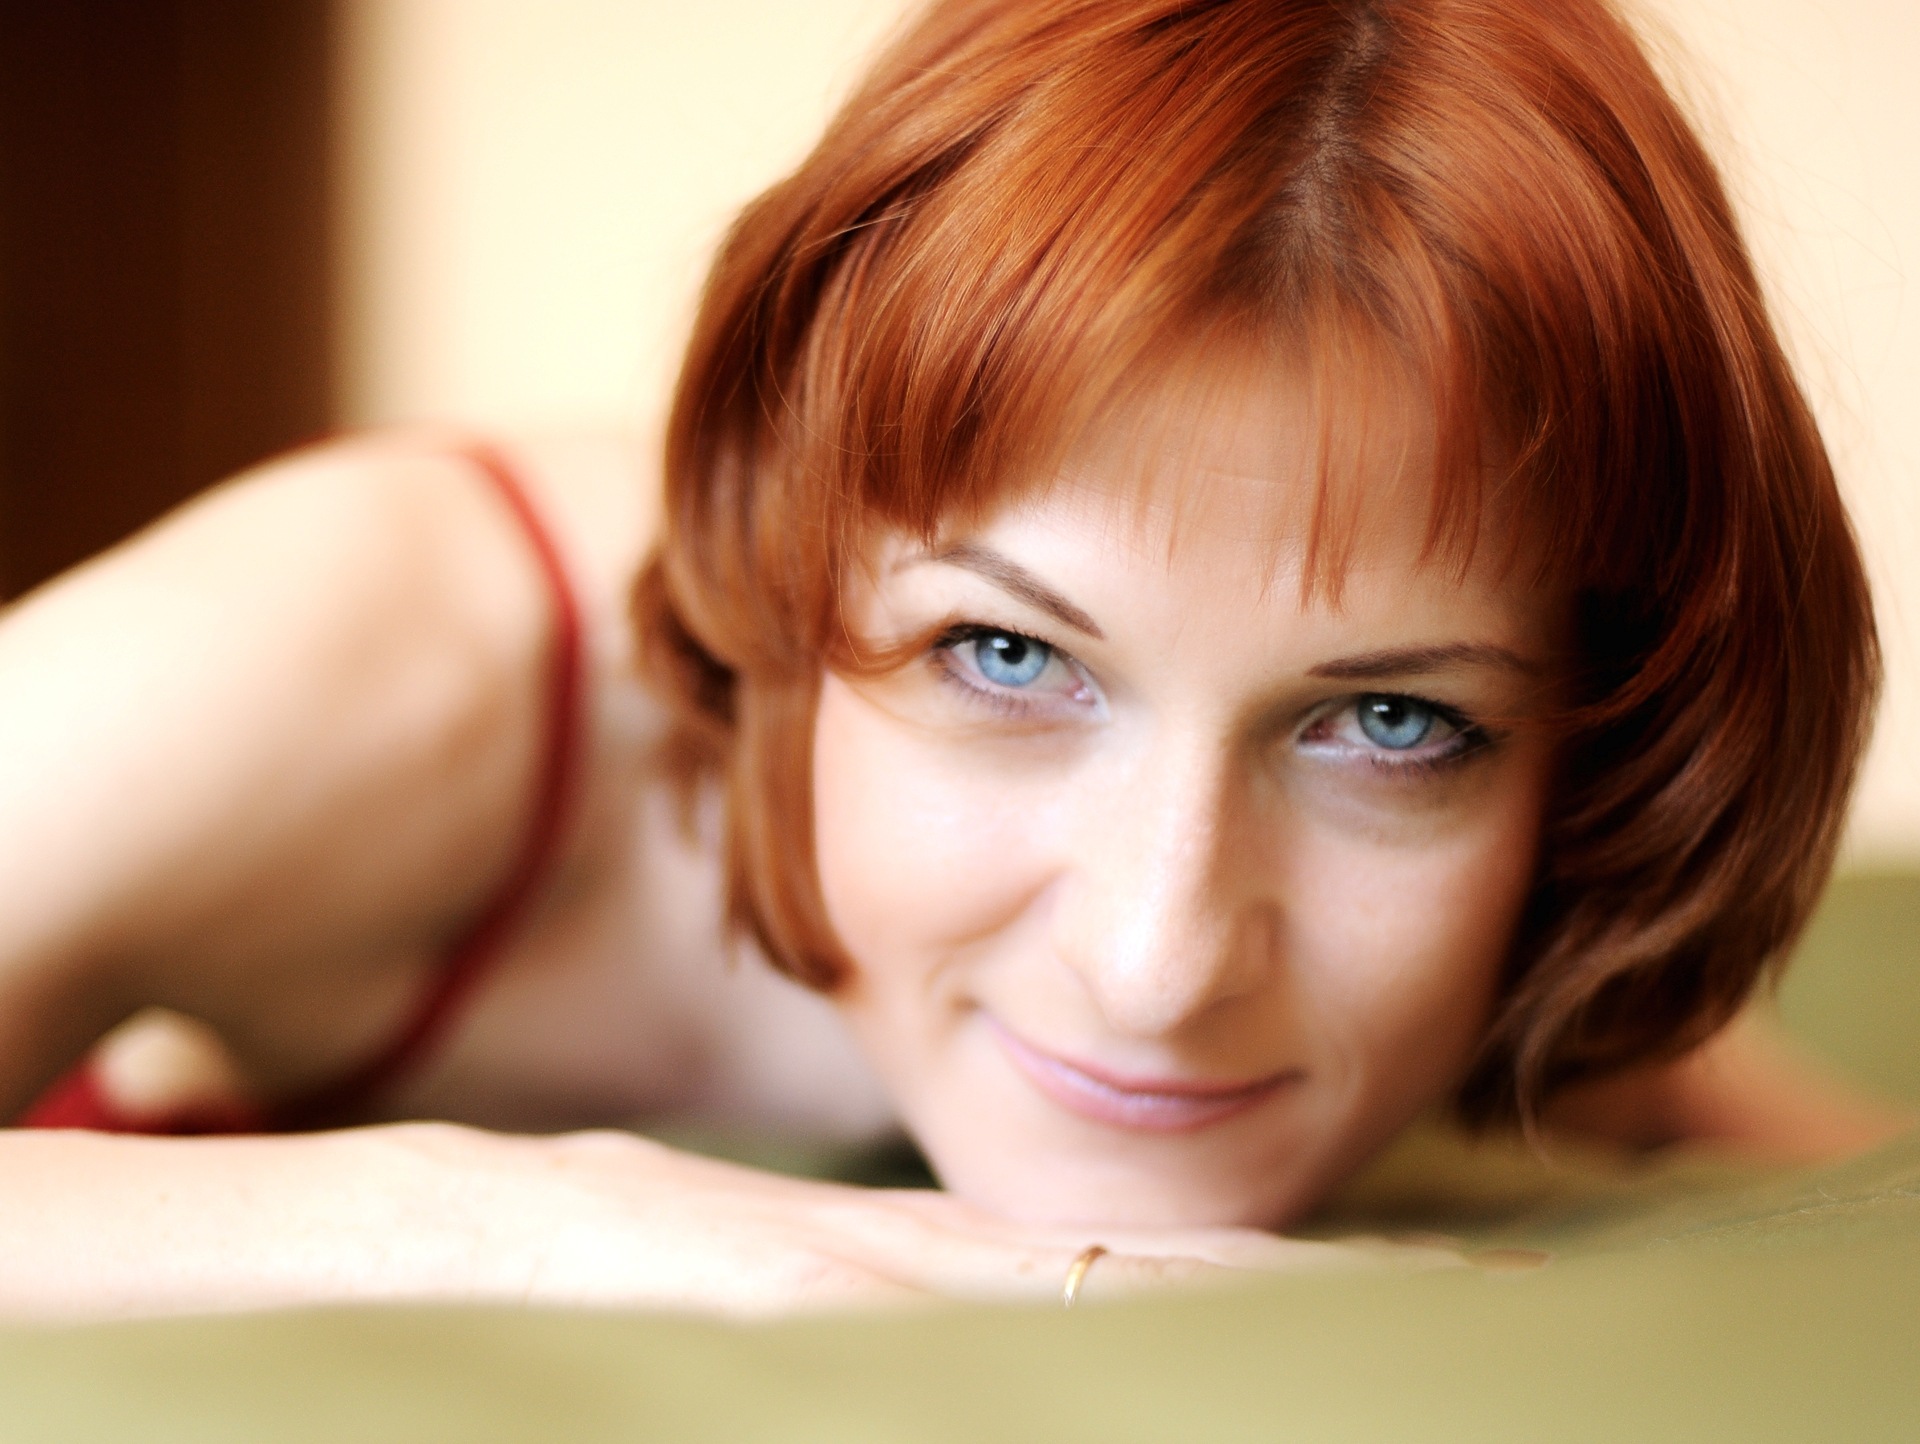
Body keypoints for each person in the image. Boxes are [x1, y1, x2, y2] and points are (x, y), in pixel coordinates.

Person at [0, 0, 1905, 1319]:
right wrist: (536, 1220)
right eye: (1005, 654)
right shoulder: (371, 646)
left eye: (1387, 722)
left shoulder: (1541, 950)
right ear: (784, 554)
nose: (1159, 962)